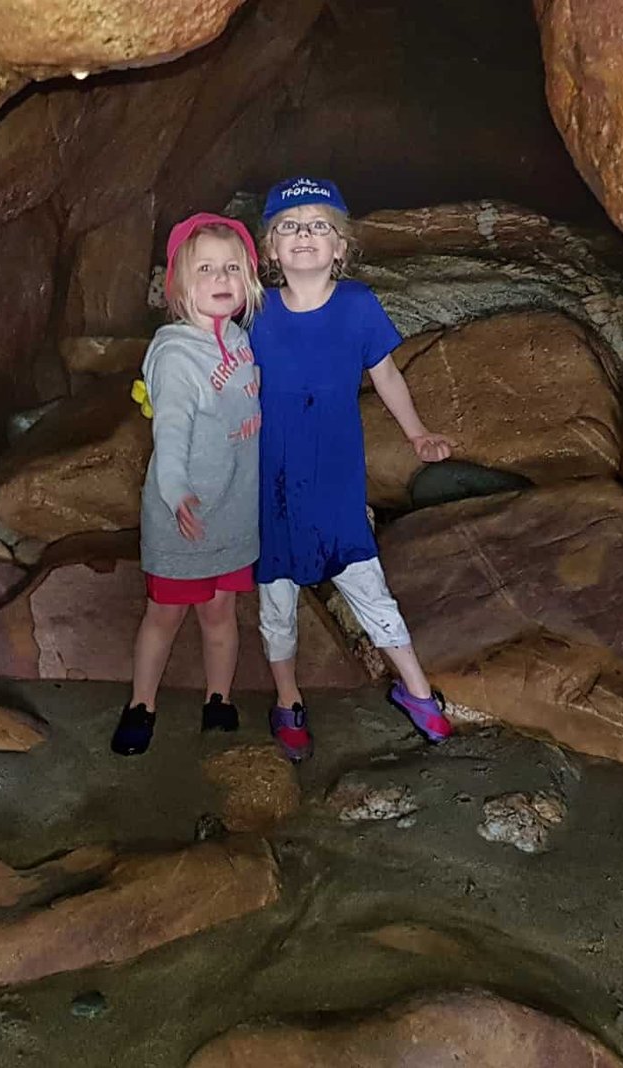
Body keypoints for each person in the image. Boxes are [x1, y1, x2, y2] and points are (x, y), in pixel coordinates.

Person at [250, 176, 455, 762]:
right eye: (289, 227)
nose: (304, 236)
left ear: (341, 246)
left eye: (319, 226)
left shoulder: (358, 304)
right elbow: (235, 381)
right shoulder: (256, 312)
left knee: (368, 584)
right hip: (273, 482)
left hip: (335, 477)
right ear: (270, 250)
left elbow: (385, 374)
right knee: (277, 601)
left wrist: (417, 434)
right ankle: (287, 699)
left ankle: (416, 692)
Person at [111, 213, 264, 756]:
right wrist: (176, 490)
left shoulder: (242, 341)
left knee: (221, 612)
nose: (221, 278)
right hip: (185, 513)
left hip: (232, 508)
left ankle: (217, 699)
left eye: (232, 267)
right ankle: (141, 704)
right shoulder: (176, 354)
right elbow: (170, 431)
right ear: (179, 283)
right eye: (206, 269)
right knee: (165, 614)